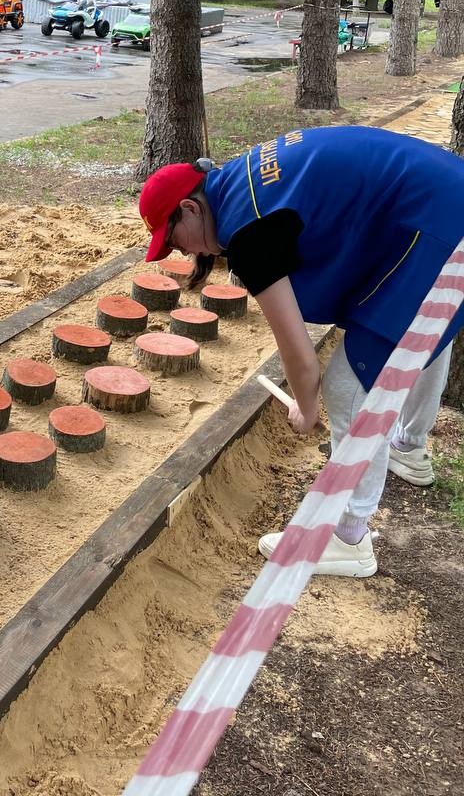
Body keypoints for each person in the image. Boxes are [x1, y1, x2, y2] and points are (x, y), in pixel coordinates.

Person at [137, 126, 464, 578]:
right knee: (422, 324)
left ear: (190, 208)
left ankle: (348, 537)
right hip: (446, 198)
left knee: (349, 385)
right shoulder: (237, 181)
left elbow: (298, 352)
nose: (185, 252)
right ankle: (409, 446)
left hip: (438, 228)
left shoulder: (248, 231)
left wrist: (307, 409)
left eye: (175, 241)